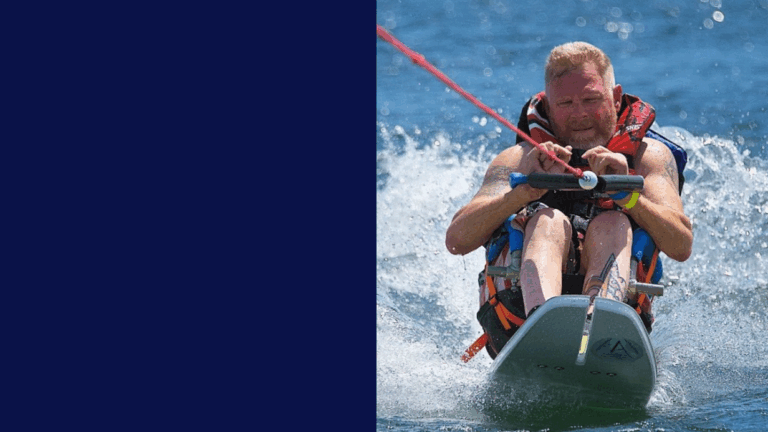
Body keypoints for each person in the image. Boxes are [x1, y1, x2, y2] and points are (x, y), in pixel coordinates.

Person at [446, 41, 693, 359]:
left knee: (613, 222)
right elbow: (457, 240)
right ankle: (543, 327)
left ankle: (600, 322)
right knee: (548, 221)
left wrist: (631, 200)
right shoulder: (517, 158)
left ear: (615, 98)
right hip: (518, 316)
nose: (579, 115)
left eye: (591, 100)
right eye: (565, 104)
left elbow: (681, 245)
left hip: (610, 313)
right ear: (547, 106)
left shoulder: (649, 158)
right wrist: (524, 192)